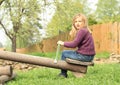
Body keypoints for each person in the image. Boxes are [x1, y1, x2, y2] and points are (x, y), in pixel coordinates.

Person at [57, 13, 96, 78]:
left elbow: (74, 44)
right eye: (75, 21)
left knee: (64, 53)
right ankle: (65, 72)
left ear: (84, 22)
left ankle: (63, 74)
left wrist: (63, 43)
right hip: (89, 56)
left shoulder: (82, 31)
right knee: (70, 52)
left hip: (85, 56)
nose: (77, 23)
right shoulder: (85, 30)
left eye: (79, 21)